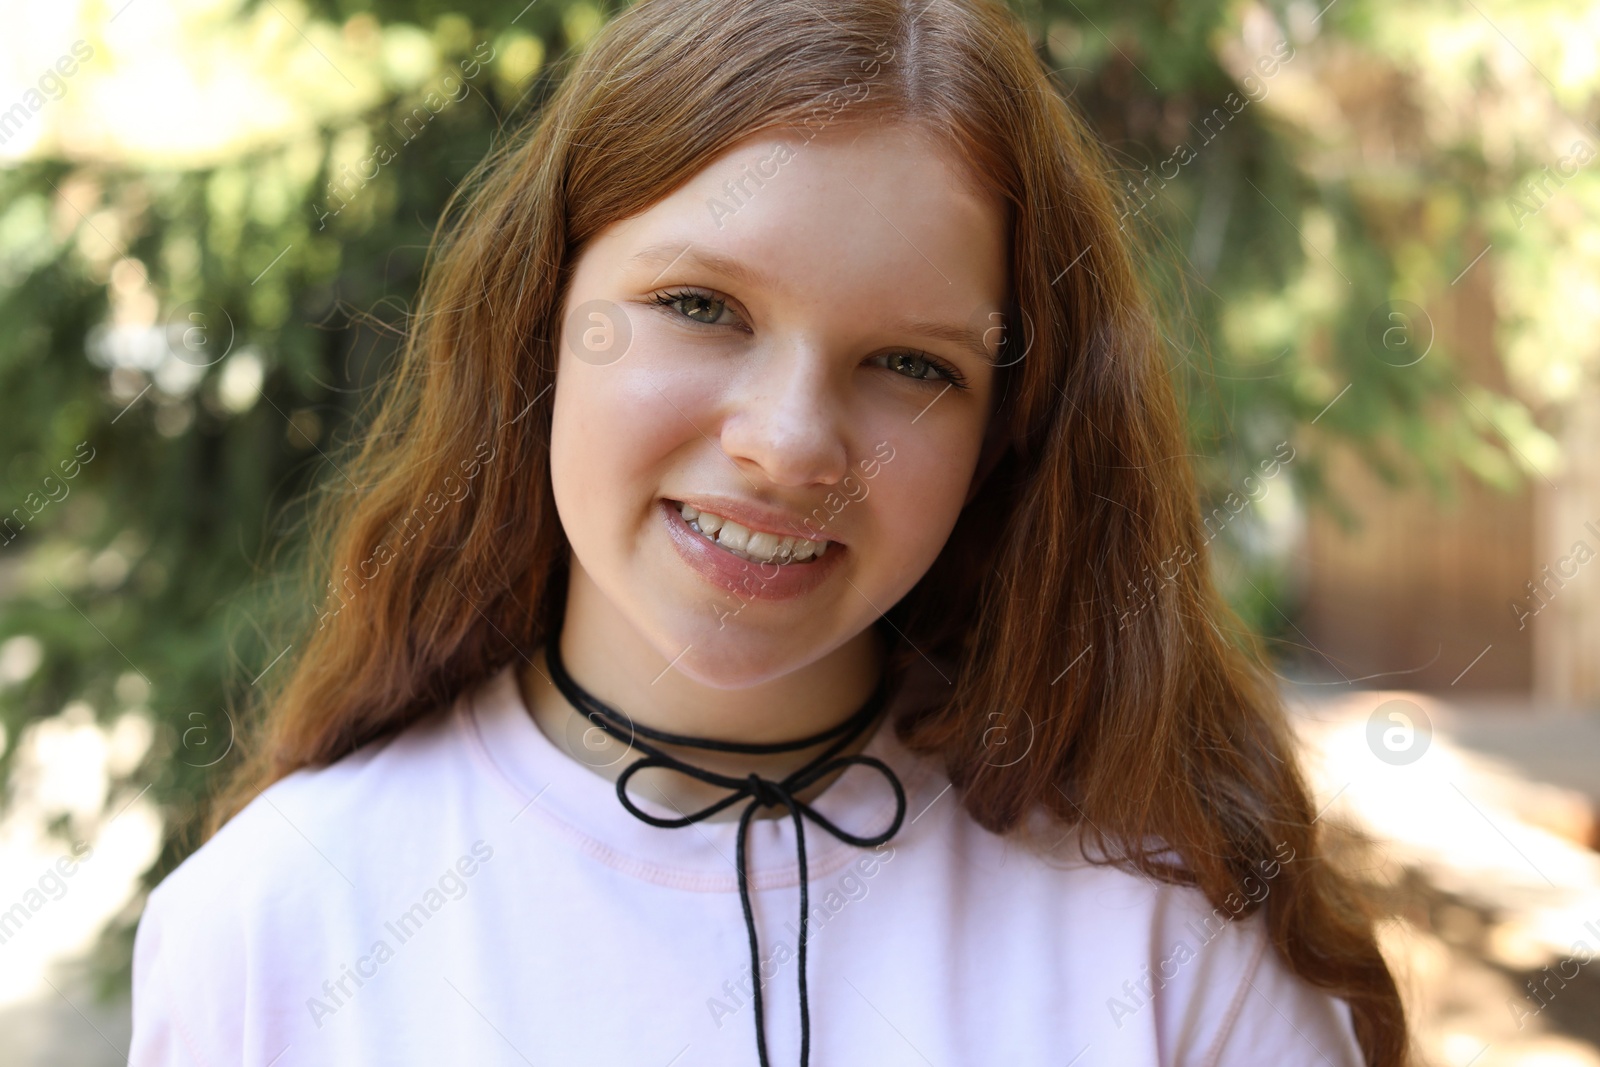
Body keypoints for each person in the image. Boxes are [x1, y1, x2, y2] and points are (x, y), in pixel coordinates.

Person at [128, 0, 1409, 1064]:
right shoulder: (272, 925)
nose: (790, 442)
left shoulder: (1170, 941)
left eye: (910, 363)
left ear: (1002, 433)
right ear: (542, 315)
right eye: (701, 303)